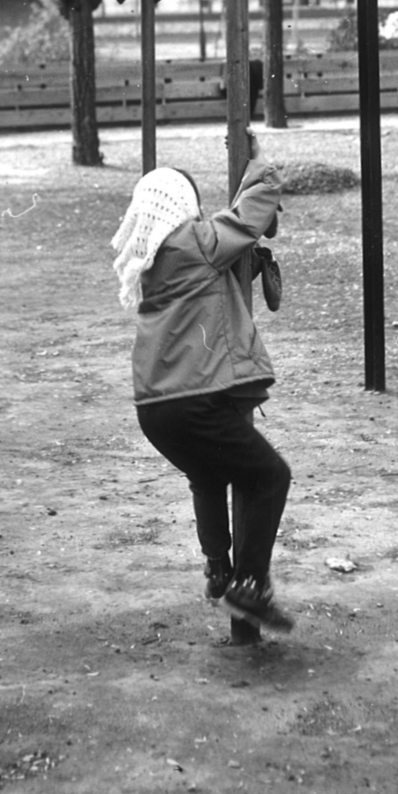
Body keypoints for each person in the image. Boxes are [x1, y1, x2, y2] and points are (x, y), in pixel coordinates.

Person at [111, 137, 294, 636]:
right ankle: (249, 587)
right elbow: (252, 210)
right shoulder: (194, 243)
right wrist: (258, 158)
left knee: (209, 476)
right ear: (181, 209)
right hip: (194, 402)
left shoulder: (152, 264)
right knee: (269, 476)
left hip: (156, 410)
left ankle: (218, 565)